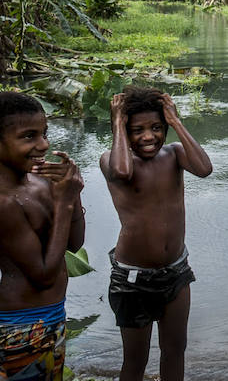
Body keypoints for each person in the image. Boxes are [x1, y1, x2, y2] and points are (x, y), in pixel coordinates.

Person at [99, 86, 212, 381]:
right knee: (135, 361)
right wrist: (117, 124)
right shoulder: (110, 160)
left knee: (175, 351)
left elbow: (204, 168)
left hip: (176, 272)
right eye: (137, 130)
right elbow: (123, 172)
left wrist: (175, 122)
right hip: (133, 278)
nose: (148, 137)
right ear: (124, 129)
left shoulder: (174, 154)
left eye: (156, 128)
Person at [0, 91, 85, 380]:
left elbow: (73, 243)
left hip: (52, 316)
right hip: (18, 327)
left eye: (44, 133)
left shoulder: (39, 182)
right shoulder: (4, 203)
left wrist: (72, 192)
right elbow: (43, 274)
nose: (43, 144)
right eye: (29, 136)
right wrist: (65, 202)